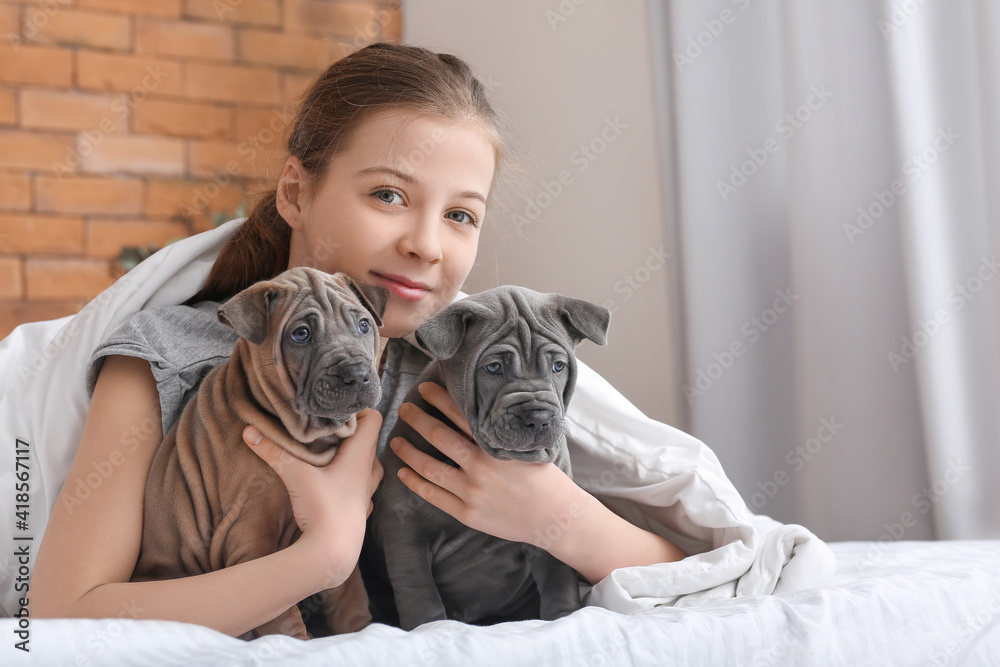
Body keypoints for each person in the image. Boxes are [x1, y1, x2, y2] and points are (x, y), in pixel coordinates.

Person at [30, 42, 685, 639]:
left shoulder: (463, 362)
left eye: (460, 214)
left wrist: (556, 515)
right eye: (389, 194)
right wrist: (323, 556)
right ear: (295, 190)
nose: (425, 244)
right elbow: (61, 616)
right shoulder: (168, 357)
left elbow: (696, 569)